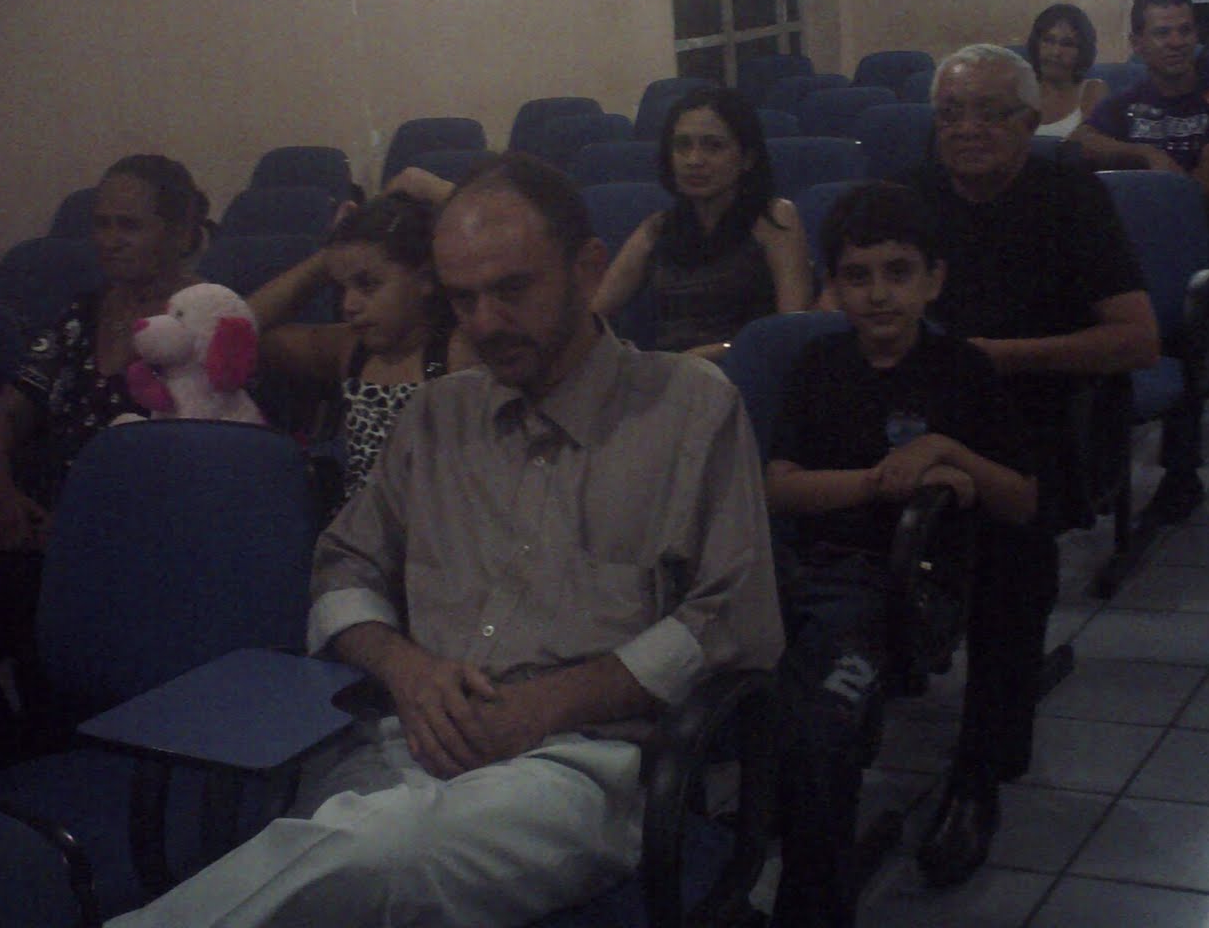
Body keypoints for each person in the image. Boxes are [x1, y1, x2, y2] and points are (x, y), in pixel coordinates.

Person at [109, 152, 784, 927]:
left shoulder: (688, 409)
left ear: (588, 269)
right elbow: (343, 566)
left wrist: (543, 705)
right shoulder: (436, 415)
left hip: (577, 768)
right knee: (343, 846)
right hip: (407, 734)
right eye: (463, 298)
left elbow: (731, 618)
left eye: (512, 289)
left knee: (379, 854)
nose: (485, 323)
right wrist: (407, 669)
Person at [907, 44, 1158, 885]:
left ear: (1028, 121)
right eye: (951, 114)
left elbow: (1137, 339)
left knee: (1004, 547)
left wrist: (997, 358)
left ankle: (978, 773)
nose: (968, 129)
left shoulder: (1069, 196)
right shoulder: (912, 196)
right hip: (924, 410)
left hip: (1040, 417)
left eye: (990, 113)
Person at [768, 182, 1039, 927]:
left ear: (933, 279)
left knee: (823, 728)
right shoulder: (819, 363)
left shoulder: (962, 369)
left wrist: (946, 452)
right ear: (833, 285)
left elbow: (1020, 500)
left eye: (898, 272)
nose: (879, 294)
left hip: (900, 591)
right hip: (798, 578)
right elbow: (777, 488)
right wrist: (885, 480)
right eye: (857, 276)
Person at [0, 155, 209, 774]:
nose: (109, 240)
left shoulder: (201, 322)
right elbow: (1, 416)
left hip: (130, 544)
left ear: (179, 233)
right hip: (31, 529)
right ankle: (7, 772)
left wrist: (81, 531)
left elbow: (196, 473)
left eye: (129, 225)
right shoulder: (82, 314)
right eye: (101, 224)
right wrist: (0, 496)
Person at [1073, 0, 1209, 525]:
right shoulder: (1127, 104)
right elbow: (1078, 142)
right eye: (1162, 33)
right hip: (1143, 255)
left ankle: (1181, 472)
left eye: (1185, 30)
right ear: (1138, 43)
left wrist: (1155, 182)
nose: (1177, 42)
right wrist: (1142, 153)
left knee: (1186, 315)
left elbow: (1205, 187)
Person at [247, 192, 476, 512]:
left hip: (438, 528)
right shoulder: (351, 350)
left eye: (368, 284)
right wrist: (324, 261)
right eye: (342, 288)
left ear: (425, 279)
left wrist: (422, 188)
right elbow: (242, 330)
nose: (349, 305)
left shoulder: (460, 352)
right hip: (359, 532)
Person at [592, 85, 812, 358]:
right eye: (682, 145)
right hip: (672, 374)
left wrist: (712, 353)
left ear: (747, 158)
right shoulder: (657, 229)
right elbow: (595, 313)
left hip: (748, 368)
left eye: (713, 146)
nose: (694, 160)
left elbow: (791, 329)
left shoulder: (774, 218)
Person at [1027, 3, 1106, 138]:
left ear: (1083, 50)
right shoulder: (1019, 89)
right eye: (1048, 40)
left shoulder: (1092, 90)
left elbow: (1091, 144)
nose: (1055, 52)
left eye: (1068, 44)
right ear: (1036, 44)